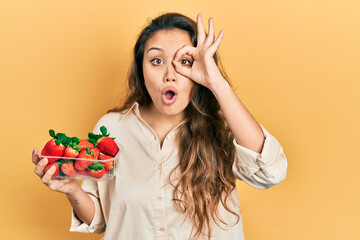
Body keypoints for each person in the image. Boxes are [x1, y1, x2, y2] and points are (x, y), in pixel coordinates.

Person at [32, 12, 287, 240]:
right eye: (156, 61)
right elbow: (101, 220)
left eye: (184, 61)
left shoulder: (222, 124)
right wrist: (70, 189)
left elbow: (271, 173)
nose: (170, 74)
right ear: (141, 70)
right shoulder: (111, 128)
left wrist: (216, 82)